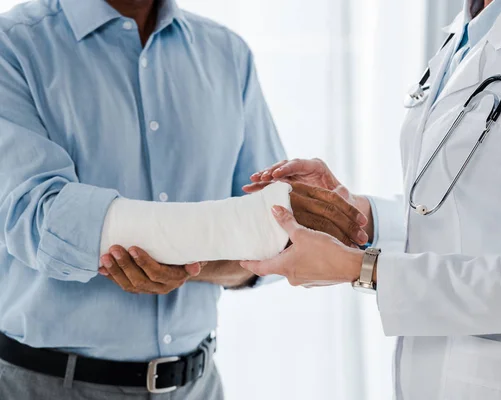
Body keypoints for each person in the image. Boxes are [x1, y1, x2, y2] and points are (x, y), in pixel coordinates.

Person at [0, 0, 367, 399]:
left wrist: (195, 264)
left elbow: (272, 241)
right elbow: (36, 217)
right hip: (47, 386)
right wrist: (242, 228)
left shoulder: (228, 54)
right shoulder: (13, 46)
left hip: (198, 386)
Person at [243, 0, 501, 398]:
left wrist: (362, 268)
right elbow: (463, 218)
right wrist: (362, 217)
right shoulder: (467, 33)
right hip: (433, 371)